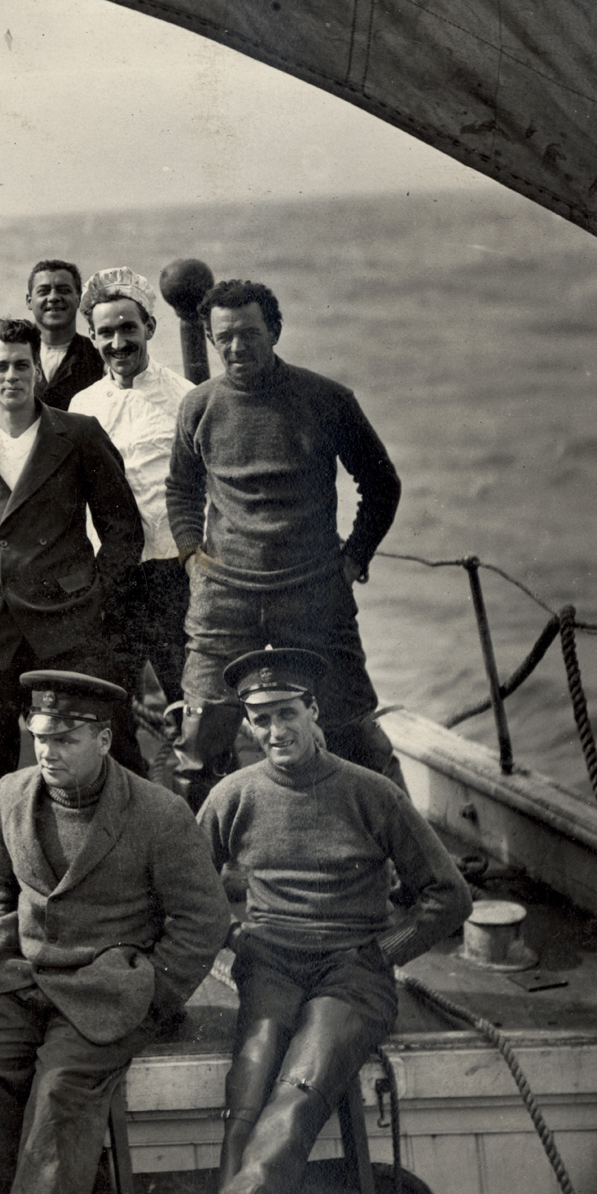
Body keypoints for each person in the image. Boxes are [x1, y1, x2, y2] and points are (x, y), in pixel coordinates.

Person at [0, 671, 231, 1194]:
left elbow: (203, 917)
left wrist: (153, 992)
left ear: (103, 738)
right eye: (39, 737)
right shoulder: (8, 796)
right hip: (23, 978)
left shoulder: (158, 812)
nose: (47, 751)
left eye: (65, 739)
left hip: (108, 989)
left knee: (63, 1088)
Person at [195, 648, 471, 1194]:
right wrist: (233, 937)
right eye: (259, 718)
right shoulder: (232, 796)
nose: (273, 730)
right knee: (250, 1082)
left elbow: (448, 894)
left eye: (286, 713)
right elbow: (190, 888)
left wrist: (387, 951)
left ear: (314, 712)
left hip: (355, 971)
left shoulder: (372, 793)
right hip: (272, 965)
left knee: (302, 1080)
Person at [164, 278, 407, 805]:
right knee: (199, 743)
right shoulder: (198, 406)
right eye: (223, 337)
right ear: (209, 338)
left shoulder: (327, 399)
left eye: (249, 333)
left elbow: (381, 484)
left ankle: (416, 866)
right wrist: (191, 556)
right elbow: (180, 489)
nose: (236, 347)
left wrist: (354, 558)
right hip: (223, 597)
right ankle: (193, 876)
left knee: (352, 730)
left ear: (274, 330)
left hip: (314, 590)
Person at [0, 317, 146, 821]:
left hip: (68, 621)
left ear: (37, 371)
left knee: (104, 742)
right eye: (0, 366)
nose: (11, 376)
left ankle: (134, 855)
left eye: (22, 365)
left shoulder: (78, 433)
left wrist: (93, 594)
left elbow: (121, 528)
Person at [66, 269, 197, 722]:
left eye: (128, 328)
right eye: (105, 332)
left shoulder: (187, 399)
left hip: (174, 577)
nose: (118, 342)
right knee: (112, 709)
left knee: (193, 708)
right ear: (92, 336)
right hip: (113, 581)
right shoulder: (82, 406)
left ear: (150, 329)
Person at [26, 259, 105, 411]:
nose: (54, 297)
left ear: (79, 299)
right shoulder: (13, 355)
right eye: (43, 291)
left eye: (64, 290)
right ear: (29, 301)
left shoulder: (99, 357)